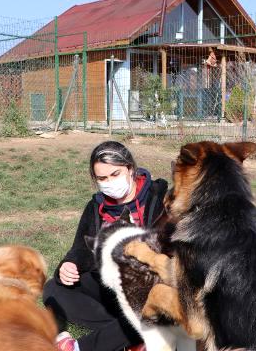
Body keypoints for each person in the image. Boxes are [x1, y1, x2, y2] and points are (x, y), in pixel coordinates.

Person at [43, 141, 168, 351]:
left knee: (157, 310)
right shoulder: (95, 206)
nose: (109, 182)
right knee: (53, 289)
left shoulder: (159, 199)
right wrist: (69, 264)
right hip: (110, 286)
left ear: (130, 169)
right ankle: (131, 336)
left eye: (115, 174)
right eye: (102, 178)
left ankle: (79, 348)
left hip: (150, 287)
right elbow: (81, 249)